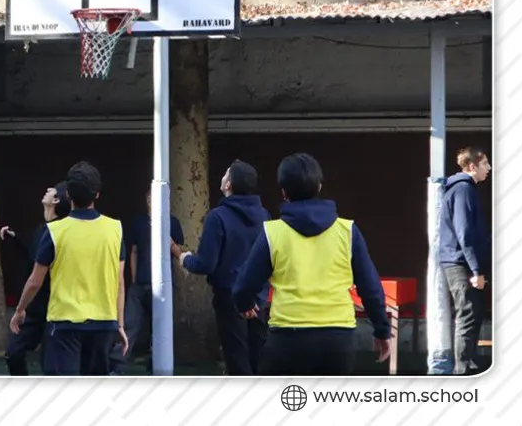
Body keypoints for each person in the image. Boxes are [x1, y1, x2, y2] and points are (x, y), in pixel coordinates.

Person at [231, 153, 391, 375]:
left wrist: (245, 305)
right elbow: (370, 288)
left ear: (284, 192)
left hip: (287, 338)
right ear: (319, 186)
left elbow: (243, 286)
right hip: (338, 339)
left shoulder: (272, 232)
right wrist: (382, 330)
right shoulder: (347, 231)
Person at [11, 161, 128, 376]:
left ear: (68, 195)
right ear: (98, 194)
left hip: (64, 324)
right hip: (103, 323)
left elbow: (35, 281)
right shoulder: (115, 229)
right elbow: (119, 282)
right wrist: (119, 324)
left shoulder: (55, 231)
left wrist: (20, 310)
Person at [175, 160, 270, 375]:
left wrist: (185, 258)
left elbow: (206, 263)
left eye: (226, 174)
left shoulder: (217, 217)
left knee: (237, 359)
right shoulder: (264, 216)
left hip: (230, 298)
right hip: (258, 298)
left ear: (229, 185)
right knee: (258, 359)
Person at [110, 187, 184, 374]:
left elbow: (178, 253)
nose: (152, 199)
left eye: (156, 197)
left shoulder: (172, 222)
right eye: (150, 196)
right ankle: (118, 367)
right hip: (140, 283)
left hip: (163, 286)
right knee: (130, 324)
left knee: (160, 330)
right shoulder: (138, 222)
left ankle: (155, 368)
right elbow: (133, 251)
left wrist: (168, 238)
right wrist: (134, 278)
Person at [0, 182, 71, 375]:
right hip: (34, 307)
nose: (46, 190)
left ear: (56, 200)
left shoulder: (61, 231)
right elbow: (35, 260)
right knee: (13, 353)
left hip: (54, 308)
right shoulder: (41, 229)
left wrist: (20, 308)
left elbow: (39, 274)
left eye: (51, 191)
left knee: (50, 365)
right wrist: (15, 239)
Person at [437, 146, 492, 375]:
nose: (489, 168)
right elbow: (464, 232)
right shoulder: (463, 190)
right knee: (468, 312)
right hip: (461, 263)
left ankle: (467, 364)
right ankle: (462, 370)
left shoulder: (463, 189)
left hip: (462, 262)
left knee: (473, 312)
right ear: (472, 166)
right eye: (485, 163)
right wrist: (476, 270)